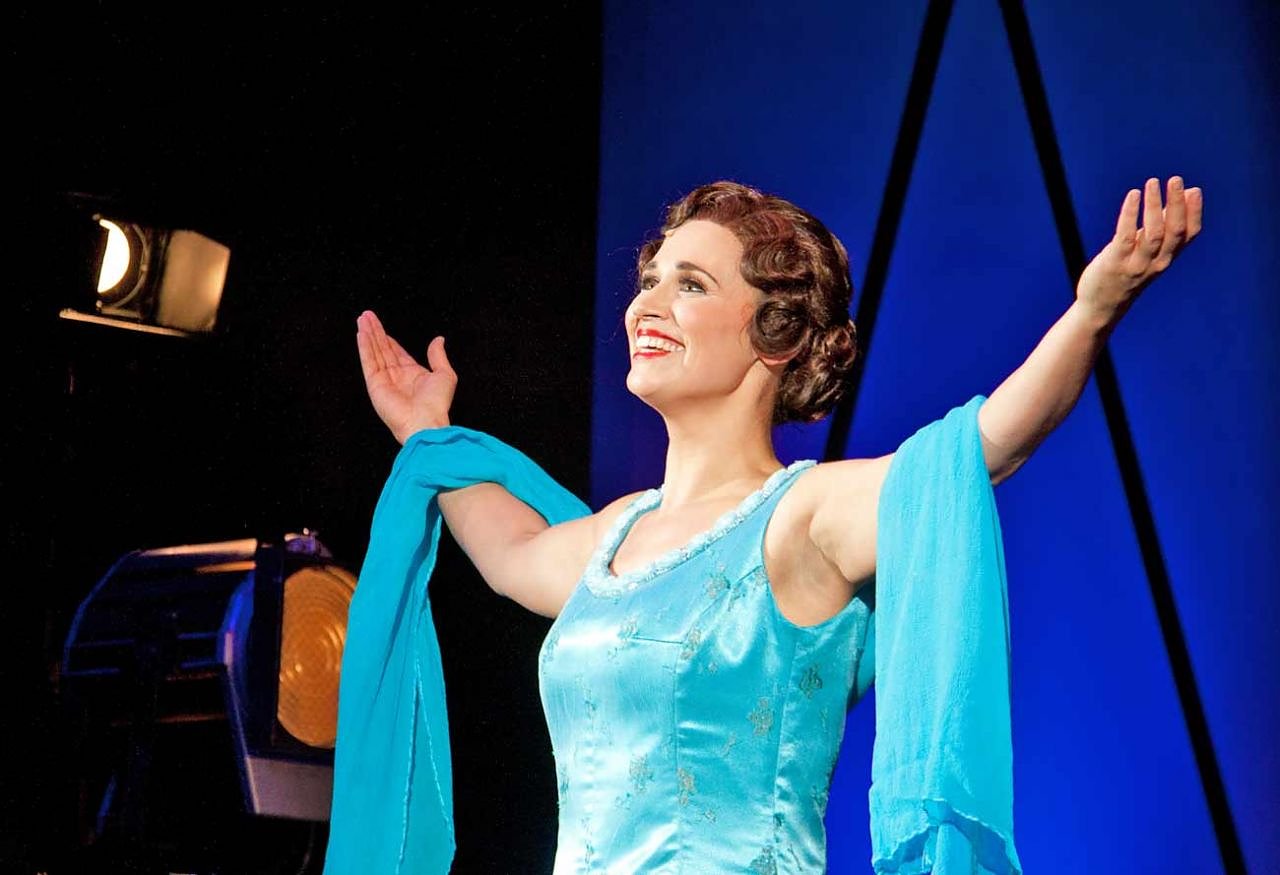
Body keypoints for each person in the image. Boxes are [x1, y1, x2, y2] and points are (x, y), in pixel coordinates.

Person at [344, 177, 1202, 873]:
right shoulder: (613, 537)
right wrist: (426, 433)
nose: (646, 305)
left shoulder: (804, 516)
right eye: (650, 280)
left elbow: (981, 450)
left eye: (690, 284)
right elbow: (511, 551)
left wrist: (1093, 312)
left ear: (777, 334)